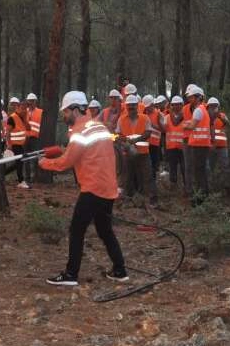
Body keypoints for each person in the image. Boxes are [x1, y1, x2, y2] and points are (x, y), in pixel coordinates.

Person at [40, 91, 128, 286]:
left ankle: (71, 274)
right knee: (105, 230)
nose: (64, 117)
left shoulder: (80, 132)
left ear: (75, 110)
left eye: (65, 112)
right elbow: (89, 154)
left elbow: (65, 163)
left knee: (77, 229)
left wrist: (44, 163)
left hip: (93, 188)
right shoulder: (99, 126)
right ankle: (120, 270)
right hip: (108, 187)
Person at [116, 94, 157, 205]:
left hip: (143, 152)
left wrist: (136, 139)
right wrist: (124, 142)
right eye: (129, 105)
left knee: (147, 175)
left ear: (137, 106)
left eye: (133, 105)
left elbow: (148, 133)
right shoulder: (121, 119)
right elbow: (118, 134)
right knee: (128, 176)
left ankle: (151, 199)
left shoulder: (145, 118)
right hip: (128, 152)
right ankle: (129, 198)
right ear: (126, 106)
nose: (131, 108)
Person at [183, 85, 211, 204]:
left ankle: (200, 198)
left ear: (198, 97)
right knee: (201, 171)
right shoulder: (203, 110)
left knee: (198, 172)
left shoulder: (198, 110)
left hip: (198, 145)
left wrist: (185, 125)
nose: (190, 100)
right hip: (202, 144)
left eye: (192, 97)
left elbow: (193, 126)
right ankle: (203, 196)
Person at [164, 96, 187, 190]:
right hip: (171, 147)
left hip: (183, 147)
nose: (176, 106)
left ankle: (187, 186)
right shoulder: (166, 117)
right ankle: (173, 186)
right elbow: (164, 130)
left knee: (184, 167)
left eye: (178, 104)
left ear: (182, 105)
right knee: (172, 167)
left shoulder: (186, 116)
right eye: (174, 105)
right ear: (171, 106)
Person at [7, 97, 29, 188]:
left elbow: (28, 128)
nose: (24, 111)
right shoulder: (12, 118)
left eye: (25, 109)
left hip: (21, 144)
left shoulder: (23, 117)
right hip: (14, 145)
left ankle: (2, 173)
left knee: (18, 163)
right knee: (19, 163)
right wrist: (9, 145)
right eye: (22, 109)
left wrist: (25, 119)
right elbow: (8, 132)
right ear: (18, 107)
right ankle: (21, 181)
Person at [142, 94, 164, 178]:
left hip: (154, 144)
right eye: (146, 107)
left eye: (148, 106)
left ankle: (153, 181)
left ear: (152, 105)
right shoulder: (143, 114)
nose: (147, 108)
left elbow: (163, 130)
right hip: (144, 143)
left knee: (154, 165)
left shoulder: (159, 114)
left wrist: (153, 125)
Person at [206, 97, 229, 174]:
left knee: (224, 166)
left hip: (222, 146)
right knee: (210, 167)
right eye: (211, 106)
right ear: (208, 107)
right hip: (210, 145)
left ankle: (225, 184)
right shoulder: (206, 117)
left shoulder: (222, 115)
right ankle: (211, 183)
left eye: (215, 106)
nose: (213, 108)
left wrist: (220, 117)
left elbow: (228, 123)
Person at [24, 93, 42, 182]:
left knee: (35, 158)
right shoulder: (24, 112)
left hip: (35, 138)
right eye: (29, 101)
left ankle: (35, 177)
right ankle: (27, 178)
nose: (31, 103)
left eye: (32, 101)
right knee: (26, 158)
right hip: (26, 138)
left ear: (35, 102)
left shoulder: (40, 112)